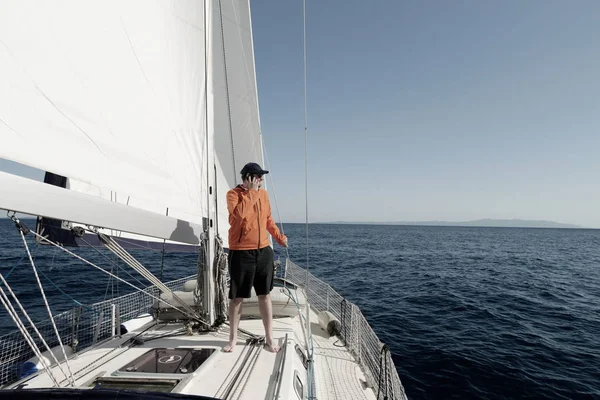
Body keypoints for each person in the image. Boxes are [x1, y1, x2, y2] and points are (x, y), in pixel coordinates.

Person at [224, 162, 288, 353]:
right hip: (241, 252)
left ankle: (269, 337)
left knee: (264, 295)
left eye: (261, 177)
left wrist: (278, 238)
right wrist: (251, 192)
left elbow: (268, 219)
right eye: (258, 177)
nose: (261, 180)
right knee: (237, 298)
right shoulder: (233, 195)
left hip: (263, 252)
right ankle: (233, 339)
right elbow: (238, 216)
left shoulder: (264, 194)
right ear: (249, 177)